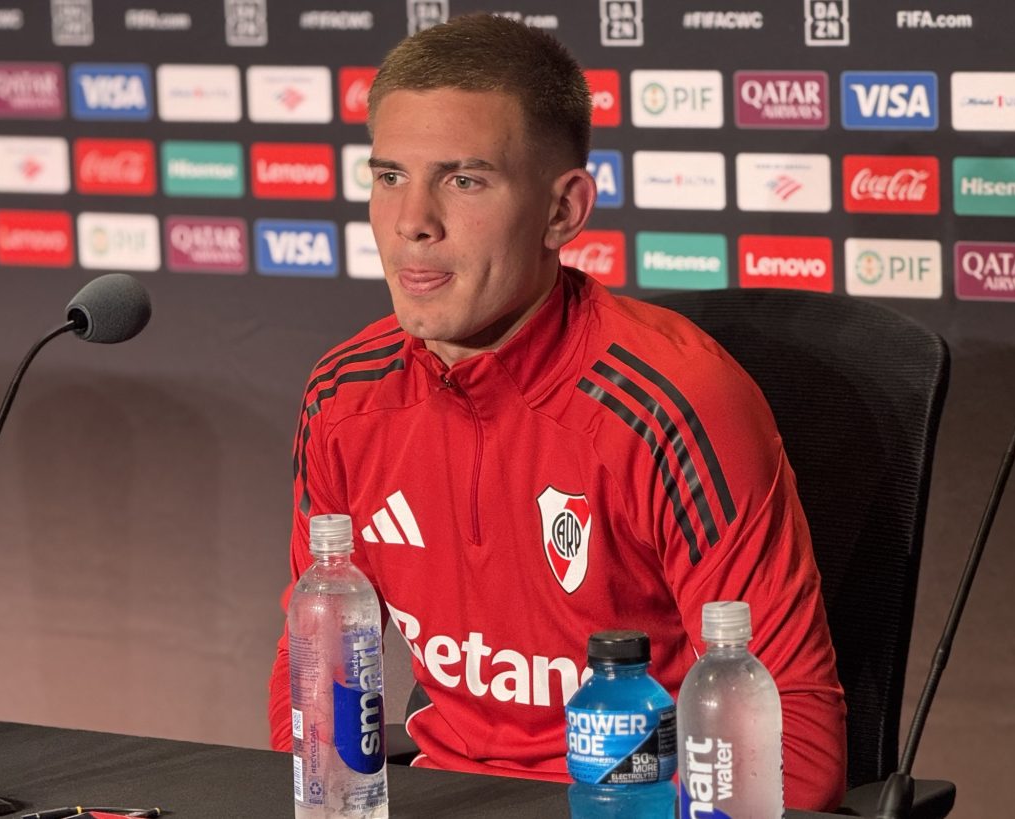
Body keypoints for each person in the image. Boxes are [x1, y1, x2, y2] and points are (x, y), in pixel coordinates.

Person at [268, 12, 846, 811]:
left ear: (563, 211)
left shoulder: (672, 405)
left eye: (464, 180)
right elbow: (312, 696)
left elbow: (793, 751)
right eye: (390, 176)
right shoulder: (344, 396)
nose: (411, 222)